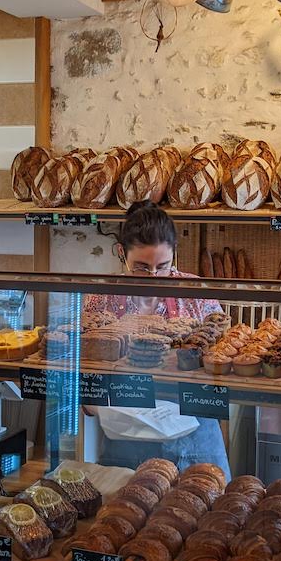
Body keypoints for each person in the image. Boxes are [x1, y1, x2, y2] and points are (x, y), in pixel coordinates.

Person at [82, 201, 232, 480]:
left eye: (162, 267)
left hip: (196, 439)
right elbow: (87, 374)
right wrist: (92, 399)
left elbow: (221, 365)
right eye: (141, 268)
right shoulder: (101, 298)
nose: (153, 277)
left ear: (174, 255)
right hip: (126, 442)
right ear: (121, 254)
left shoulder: (196, 293)